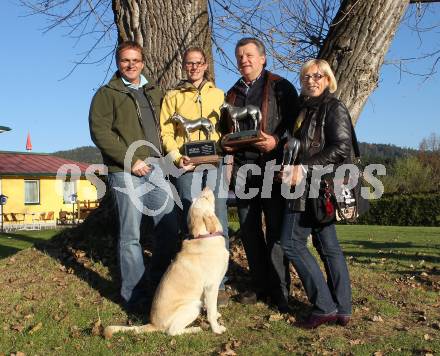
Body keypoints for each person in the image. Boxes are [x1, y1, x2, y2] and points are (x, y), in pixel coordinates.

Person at [89, 41, 179, 313]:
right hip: (125, 172)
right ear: (119, 63)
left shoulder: (156, 92)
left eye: (136, 60)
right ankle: (135, 298)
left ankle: (161, 285)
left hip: (157, 170)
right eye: (125, 60)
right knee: (130, 236)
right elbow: (100, 132)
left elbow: (168, 128)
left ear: (142, 62)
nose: (131, 65)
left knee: (169, 226)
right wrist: (131, 160)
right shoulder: (107, 93)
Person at [220, 37, 299, 312]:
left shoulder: (281, 86)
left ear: (263, 58)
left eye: (250, 55)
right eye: (240, 55)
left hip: (272, 166)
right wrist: (225, 143)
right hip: (244, 169)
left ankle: (281, 290)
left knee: (275, 230)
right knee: (250, 230)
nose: (244, 60)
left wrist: (277, 141)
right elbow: (224, 131)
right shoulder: (231, 94)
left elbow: (295, 123)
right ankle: (259, 284)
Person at [280, 59, 353, 328]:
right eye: (306, 76)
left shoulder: (333, 107)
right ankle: (343, 308)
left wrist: (303, 168)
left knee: (290, 243)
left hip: (317, 187)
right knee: (327, 246)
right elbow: (304, 146)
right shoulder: (304, 109)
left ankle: (324, 306)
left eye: (317, 76)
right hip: (305, 185)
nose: (311, 80)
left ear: (328, 79)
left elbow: (341, 147)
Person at [159, 47, 230, 306]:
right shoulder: (173, 96)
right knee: (191, 217)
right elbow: (166, 132)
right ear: (184, 66)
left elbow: (226, 128)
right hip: (186, 165)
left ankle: (219, 284)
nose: (194, 67)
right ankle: (195, 281)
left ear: (205, 65)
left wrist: (220, 147)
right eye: (189, 63)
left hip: (214, 163)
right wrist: (178, 157)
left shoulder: (219, 94)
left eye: (198, 63)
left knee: (218, 217)